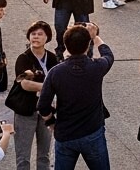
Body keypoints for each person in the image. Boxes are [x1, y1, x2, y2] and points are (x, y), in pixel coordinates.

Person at [38, 23, 114, 169]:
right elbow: (108, 55)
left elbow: (43, 106)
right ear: (87, 45)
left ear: (66, 45)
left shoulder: (56, 72)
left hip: (65, 134)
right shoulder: (96, 67)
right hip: (92, 132)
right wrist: (95, 37)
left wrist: (51, 122)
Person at [10, 21, 57, 170]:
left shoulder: (52, 58)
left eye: (40, 34)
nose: (36, 37)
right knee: (23, 156)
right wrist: (48, 88)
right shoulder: (24, 58)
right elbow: (25, 84)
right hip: (25, 110)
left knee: (44, 154)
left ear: (47, 38)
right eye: (33, 34)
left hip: (46, 110)